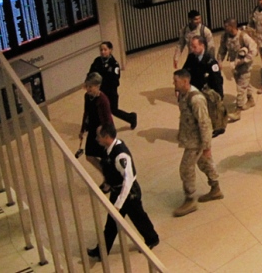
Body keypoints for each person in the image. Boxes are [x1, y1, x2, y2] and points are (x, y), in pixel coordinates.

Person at [87, 123, 159, 259]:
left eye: (98, 136)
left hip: (129, 193)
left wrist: (118, 204)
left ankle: (152, 239)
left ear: (107, 137)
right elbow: (110, 171)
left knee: (139, 218)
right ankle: (101, 251)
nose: (97, 139)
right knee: (111, 223)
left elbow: (128, 180)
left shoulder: (121, 155)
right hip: (118, 191)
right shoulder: (108, 150)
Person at [172, 69, 223, 217]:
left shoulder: (196, 99)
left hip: (196, 141)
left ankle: (190, 199)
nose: (173, 83)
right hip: (190, 138)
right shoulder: (182, 94)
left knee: (186, 168)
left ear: (185, 81)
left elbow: (205, 123)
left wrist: (207, 146)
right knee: (203, 163)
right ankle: (215, 188)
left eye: (176, 81)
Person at [89, 41, 137, 130]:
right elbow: (91, 74)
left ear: (110, 50)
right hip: (98, 91)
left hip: (110, 92)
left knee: (113, 110)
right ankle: (94, 125)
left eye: (105, 49)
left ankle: (131, 117)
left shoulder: (114, 64)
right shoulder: (97, 61)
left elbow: (115, 79)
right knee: (95, 108)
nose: (103, 52)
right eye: (101, 50)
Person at [217, 18, 258, 111]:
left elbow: (254, 49)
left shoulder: (243, 36)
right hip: (234, 65)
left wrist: (243, 60)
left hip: (245, 66)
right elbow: (222, 50)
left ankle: (238, 109)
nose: (224, 28)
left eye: (226, 26)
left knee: (241, 87)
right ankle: (250, 99)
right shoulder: (225, 37)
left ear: (232, 27)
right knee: (244, 83)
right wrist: (219, 61)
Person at [80, 72, 114, 174]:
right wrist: (82, 130)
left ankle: (109, 178)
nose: (88, 89)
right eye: (87, 86)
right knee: (89, 156)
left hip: (102, 131)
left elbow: (108, 119)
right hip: (92, 129)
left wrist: (105, 134)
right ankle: (105, 174)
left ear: (98, 86)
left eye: (91, 86)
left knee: (105, 157)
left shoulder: (103, 100)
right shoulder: (87, 96)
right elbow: (86, 113)